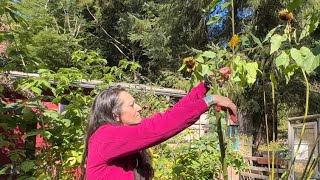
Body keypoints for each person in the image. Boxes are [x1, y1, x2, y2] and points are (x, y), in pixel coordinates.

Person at [79, 81, 237, 180]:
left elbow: (170, 116)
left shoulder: (122, 136)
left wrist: (204, 87)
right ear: (116, 115)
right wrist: (210, 100)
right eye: (132, 105)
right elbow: (159, 128)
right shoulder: (105, 136)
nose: (139, 108)